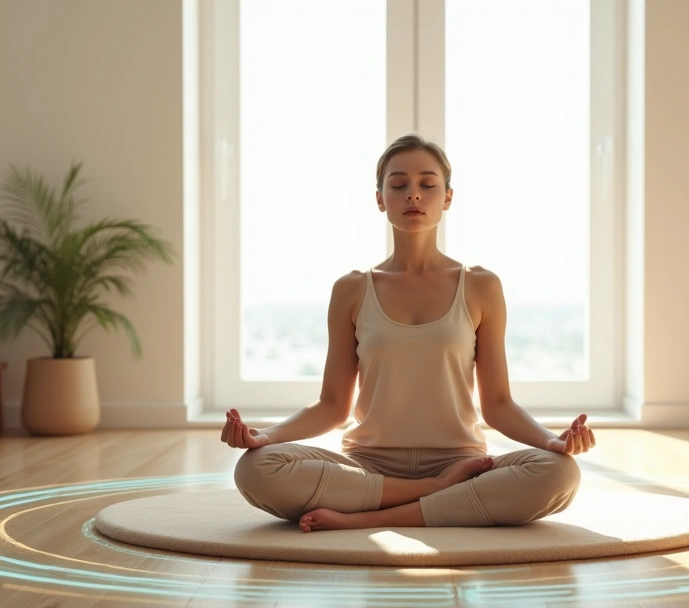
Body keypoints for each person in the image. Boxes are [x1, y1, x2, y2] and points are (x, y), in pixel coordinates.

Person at [222, 133, 596, 532]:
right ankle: (436, 496)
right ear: (380, 198)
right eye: (398, 185)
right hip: (368, 465)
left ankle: (368, 517)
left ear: (448, 197)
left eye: (428, 184)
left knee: (559, 473)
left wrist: (552, 443)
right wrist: (265, 436)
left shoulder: (481, 286)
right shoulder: (351, 289)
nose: (413, 195)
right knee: (256, 469)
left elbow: (499, 404)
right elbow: (332, 406)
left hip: (462, 463)